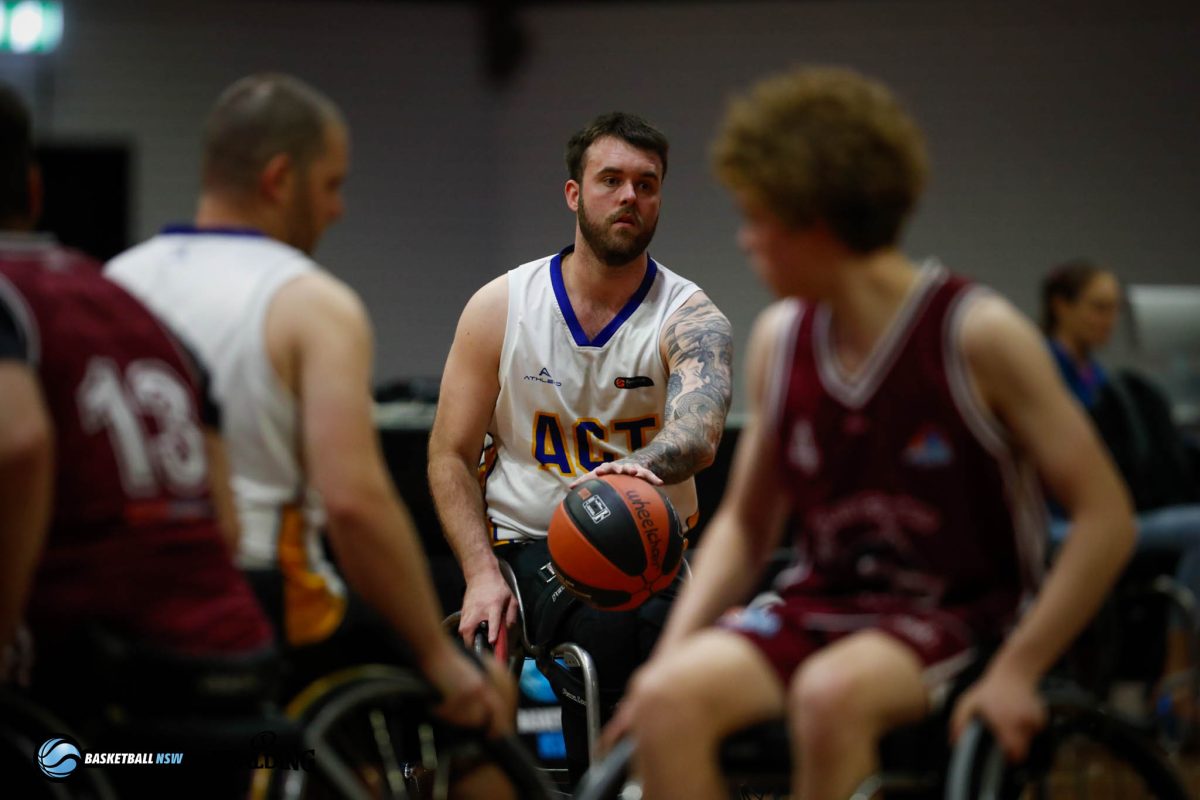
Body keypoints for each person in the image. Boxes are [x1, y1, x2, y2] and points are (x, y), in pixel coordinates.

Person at [607, 66, 1136, 800]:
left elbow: (1107, 519)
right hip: (821, 603)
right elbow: (748, 528)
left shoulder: (976, 334)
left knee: (830, 695)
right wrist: (669, 657)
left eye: (759, 218)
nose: (745, 240)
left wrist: (1019, 668)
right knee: (666, 701)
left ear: (814, 219)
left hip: (956, 617)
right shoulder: (780, 338)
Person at [105, 73, 507, 733]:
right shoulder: (311, 303)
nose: (337, 209)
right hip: (262, 603)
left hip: (131, 609)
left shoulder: (115, 282)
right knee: (484, 702)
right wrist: (439, 659)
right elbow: (353, 505)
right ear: (279, 178)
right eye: (331, 185)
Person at [427, 111, 734, 779]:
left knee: (698, 653)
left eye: (647, 184)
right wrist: (479, 574)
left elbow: (701, 430)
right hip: (527, 543)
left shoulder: (690, 314)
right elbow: (449, 455)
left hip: (653, 544)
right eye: (612, 180)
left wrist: (636, 470)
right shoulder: (501, 306)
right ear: (575, 194)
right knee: (608, 631)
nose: (630, 196)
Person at [0, 81, 273, 797]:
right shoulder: (124, 301)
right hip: (227, 671)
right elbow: (227, 508)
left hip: (103, 695)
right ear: (32, 187)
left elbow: (17, 444)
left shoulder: (9, 297)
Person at [1042, 260, 1200, 727]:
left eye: (1113, 310)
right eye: (1097, 308)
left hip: (1108, 512)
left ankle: (1168, 679)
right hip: (1058, 521)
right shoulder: (1042, 369)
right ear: (1060, 306)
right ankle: (1175, 679)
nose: (1107, 321)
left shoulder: (1101, 378)